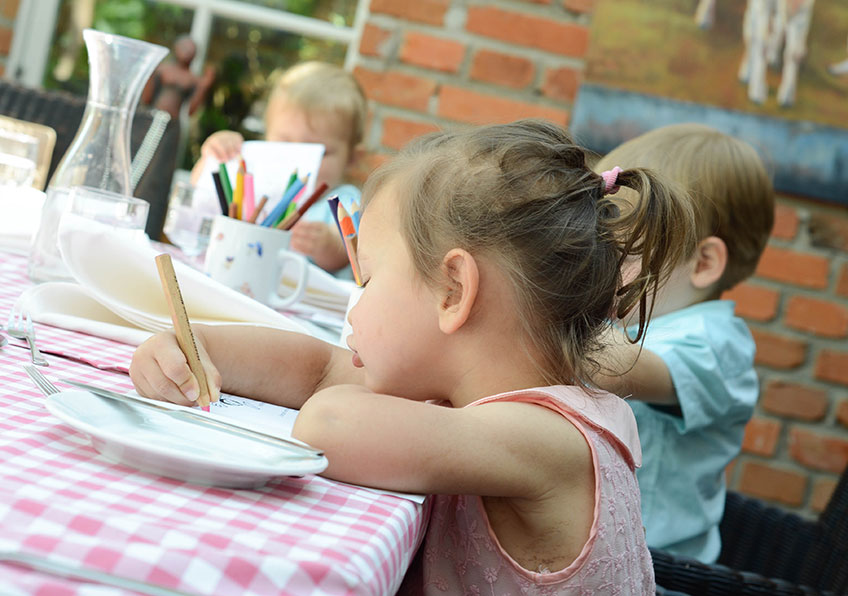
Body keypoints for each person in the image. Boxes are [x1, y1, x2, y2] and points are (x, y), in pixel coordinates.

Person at [131, 119, 697, 594]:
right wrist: (196, 346)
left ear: (454, 291)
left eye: (369, 278)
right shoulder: (480, 395)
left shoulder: (550, 439)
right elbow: (321, 369)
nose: (356, 305)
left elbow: (329, 421)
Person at [592, 123, 775, 563]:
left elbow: (612, 366)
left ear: (704, 262)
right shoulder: (631, 322)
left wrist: (531, 313)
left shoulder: (715, 345)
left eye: (624, 251)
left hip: (656, 567)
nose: (599, 268)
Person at [190, 61, 367, 274]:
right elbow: (200, 195)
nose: (299, 162)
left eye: (318, 152)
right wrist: (215, 157)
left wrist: (329, 246)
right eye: (285, 145)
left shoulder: (343, 200)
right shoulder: (253, 182)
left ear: (352, 158)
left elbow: (352, 254)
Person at [141, 36, 216, 122]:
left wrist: (204, 86)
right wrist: (150, 73)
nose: (188, 52)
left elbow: (190, 112)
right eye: (185, 48)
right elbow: (146, 99)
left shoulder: (193, 79)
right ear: (176, 48)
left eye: (191, 49)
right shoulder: (162, 69)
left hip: (172, 123)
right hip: (150, 117)